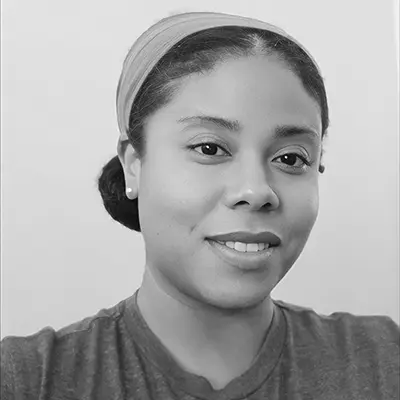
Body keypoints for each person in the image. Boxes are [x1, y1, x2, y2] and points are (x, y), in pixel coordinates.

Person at [1, 11, 399, 400]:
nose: (256, 190)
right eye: (209, 148)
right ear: (134, 164)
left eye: (291, 158)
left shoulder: (384, 361)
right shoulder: (26, 379)